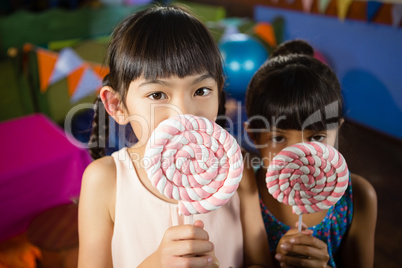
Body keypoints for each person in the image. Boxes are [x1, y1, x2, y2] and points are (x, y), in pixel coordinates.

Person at [78, 5, 271, 268]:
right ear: (116, 105)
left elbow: (260, 262)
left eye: (201, 90)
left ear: (219, 91)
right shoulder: (104, 181)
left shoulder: (237, 171)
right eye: (157, 95)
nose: (184, 113)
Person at [244, 39, 377, 268]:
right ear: (254, 137)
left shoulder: (359, 197)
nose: (299, 155)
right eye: (278, 138)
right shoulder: (246, 193)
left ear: (337, 130)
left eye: (316, 137)